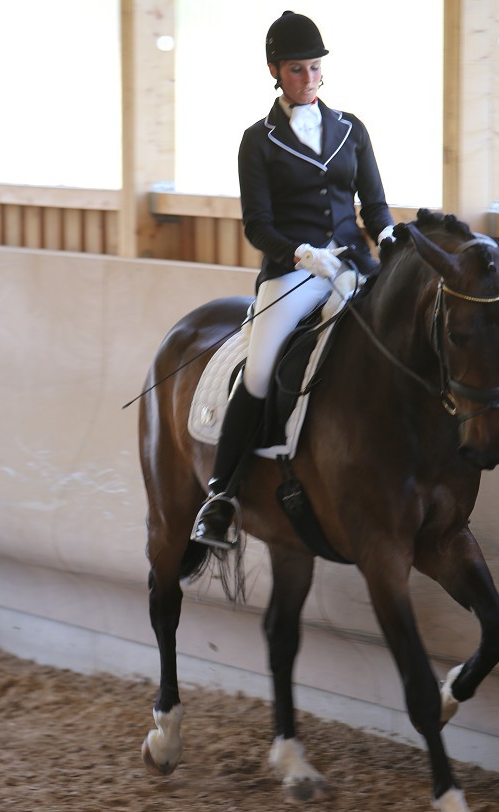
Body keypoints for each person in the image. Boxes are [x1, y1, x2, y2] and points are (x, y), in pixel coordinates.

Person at [191, 10, 395, 549]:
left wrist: (391, 238)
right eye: (297, 70)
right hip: (294, 272)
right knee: (258, 370)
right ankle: (220, 495)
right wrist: (304, 254)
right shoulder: (256, 140)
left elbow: (374, 206)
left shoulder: (352, 128)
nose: (308, 79)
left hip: (353, 266)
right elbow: (258, 224)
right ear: (275, 72)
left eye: (315, 68)